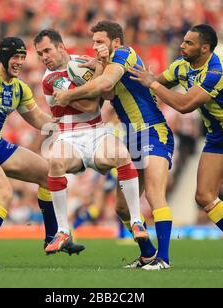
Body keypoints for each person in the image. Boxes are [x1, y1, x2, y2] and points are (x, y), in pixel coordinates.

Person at [128, 24, 223, 269]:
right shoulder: (180, 67)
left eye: (188, 43)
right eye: (183, 41)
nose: (182, 45)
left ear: (205, 48)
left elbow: (184, 105)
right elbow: (152, 84)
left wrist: (153, 84)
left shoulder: (217, 71)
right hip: (216, 135)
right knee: (204, 196)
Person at [0, 37, 84, 268]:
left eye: (23, 57)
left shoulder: (19, 88)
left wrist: (64, 124)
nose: (20, 62)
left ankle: (52, 238)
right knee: (3, 193)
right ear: (3, 57)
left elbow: (37, 118)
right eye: (15, 57)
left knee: (49, 174)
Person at [54, 21, 174, 270]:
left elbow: (106, 86)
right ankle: (148, 255)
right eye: (93, 41)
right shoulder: (109, 63)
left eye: (99, 41)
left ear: (116, 42)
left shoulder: (124, 53)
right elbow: (107, 95)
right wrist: (98, 66)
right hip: (131, 138)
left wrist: (68, 95)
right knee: (121, 207)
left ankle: (163, 259)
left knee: (154, 195)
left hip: (152, 131)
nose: (95, 46)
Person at [33, 29, 149, 255]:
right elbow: (88, 106)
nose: (44, 57)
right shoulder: (50, 79)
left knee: (122, 154)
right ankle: (63, 231)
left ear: (61, 46)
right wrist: (98, 71)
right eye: (40, 54)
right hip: (70, 135)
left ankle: (136, 220)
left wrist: (100, 65)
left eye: (47, 50)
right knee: (55, 162)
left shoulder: (80, 62)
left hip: (96, 131)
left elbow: (107, 94)